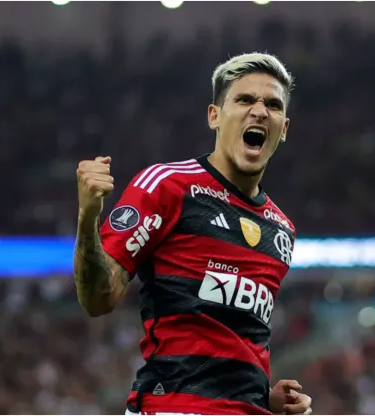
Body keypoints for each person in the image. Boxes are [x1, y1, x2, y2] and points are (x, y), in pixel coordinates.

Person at [74, 52, 313, 415]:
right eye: (245, 99)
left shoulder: (281, 229)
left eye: (273, 105)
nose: (260, 111)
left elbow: (233, 341)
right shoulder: (168, 187)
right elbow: (97, 298)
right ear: (214, 116)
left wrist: (262, 398)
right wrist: (87, 217)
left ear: (285, 128)